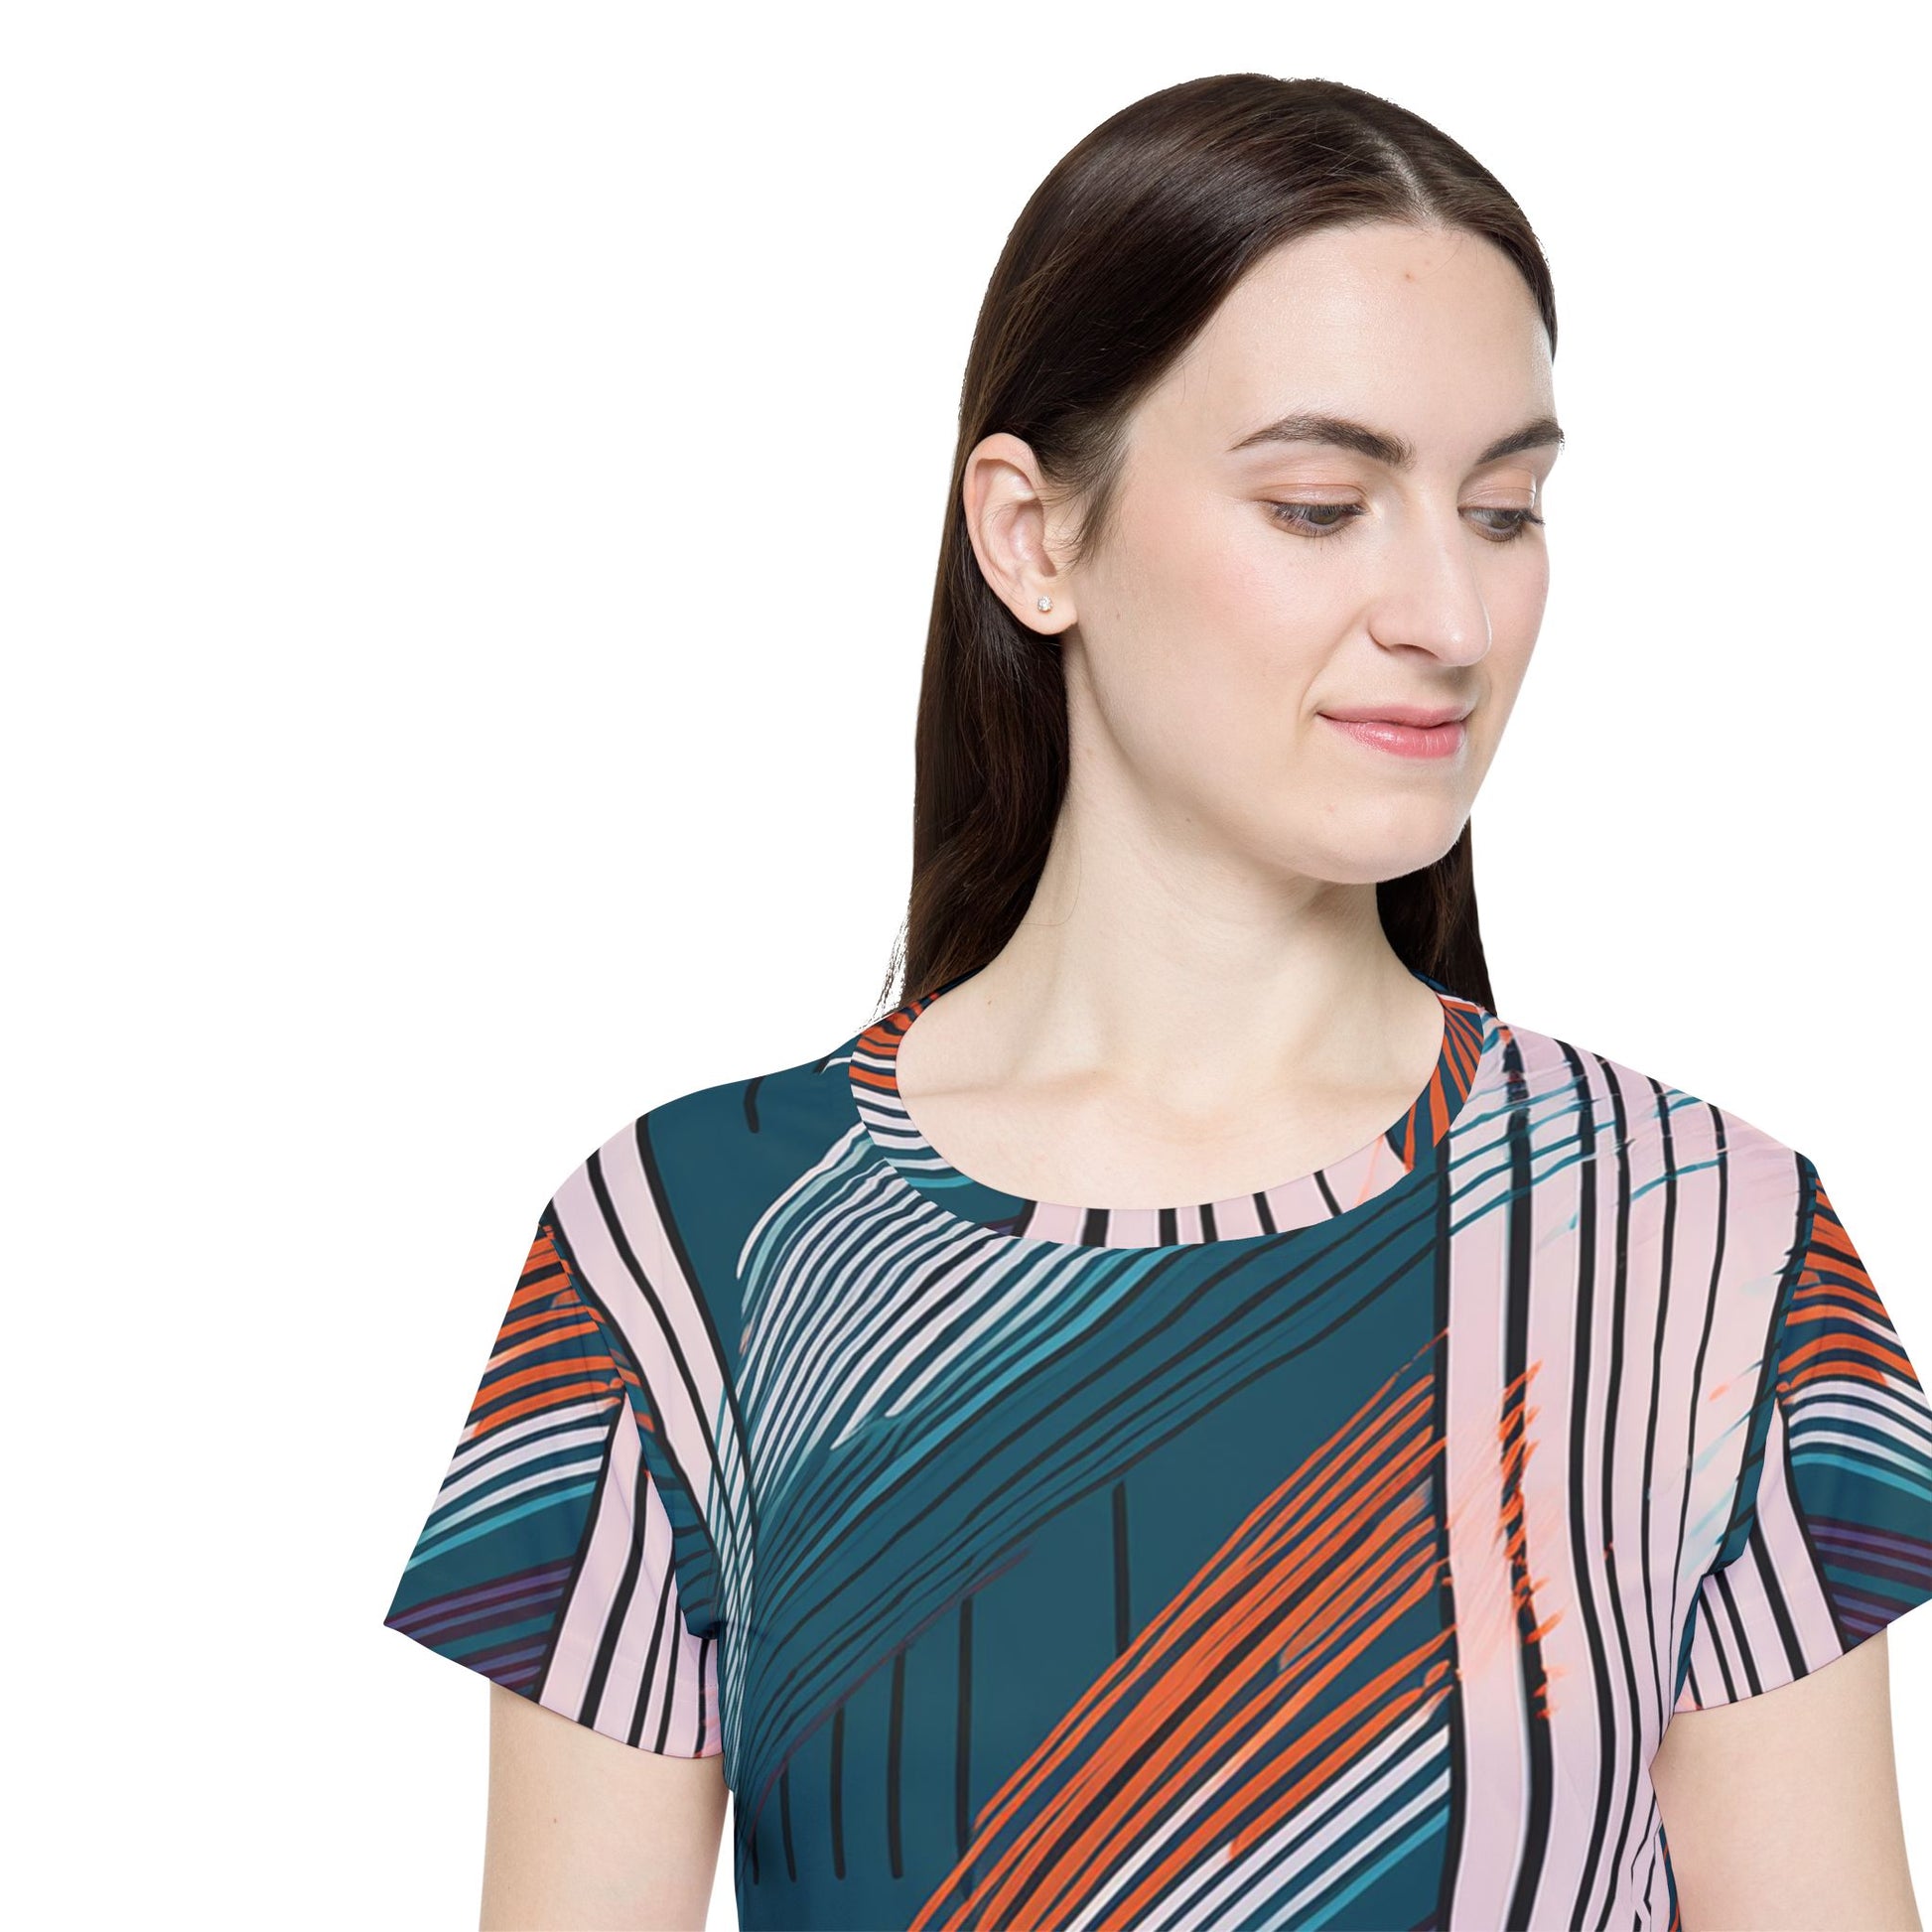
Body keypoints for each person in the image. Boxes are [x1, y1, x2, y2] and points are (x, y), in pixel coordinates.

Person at [380, 72, 1932, 1931]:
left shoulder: (1706, 1246)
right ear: (1031, 535)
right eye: (1318, 505)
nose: (1447, 615)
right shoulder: (684, 1248)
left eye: (1503, 510)